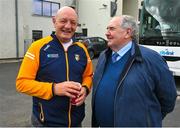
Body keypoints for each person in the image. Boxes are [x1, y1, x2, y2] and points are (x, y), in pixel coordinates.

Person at [92, 15, 177, 127]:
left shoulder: (152, 59)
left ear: (128, 33)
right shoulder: (104, 56)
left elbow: (168, 98)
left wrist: (148, 120)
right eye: (107, 29)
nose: (107, 33)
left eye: (112, 29)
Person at [16, 6, 93, 127]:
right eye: (63, 21)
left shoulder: (82, 49)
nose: (68, 26)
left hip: (76, 122)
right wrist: (54, 89)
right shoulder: (37, 47)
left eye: (73, 23)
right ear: (54, 21)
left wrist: (85, 88)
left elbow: (88, 75)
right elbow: (22, 83)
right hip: (46, 122)